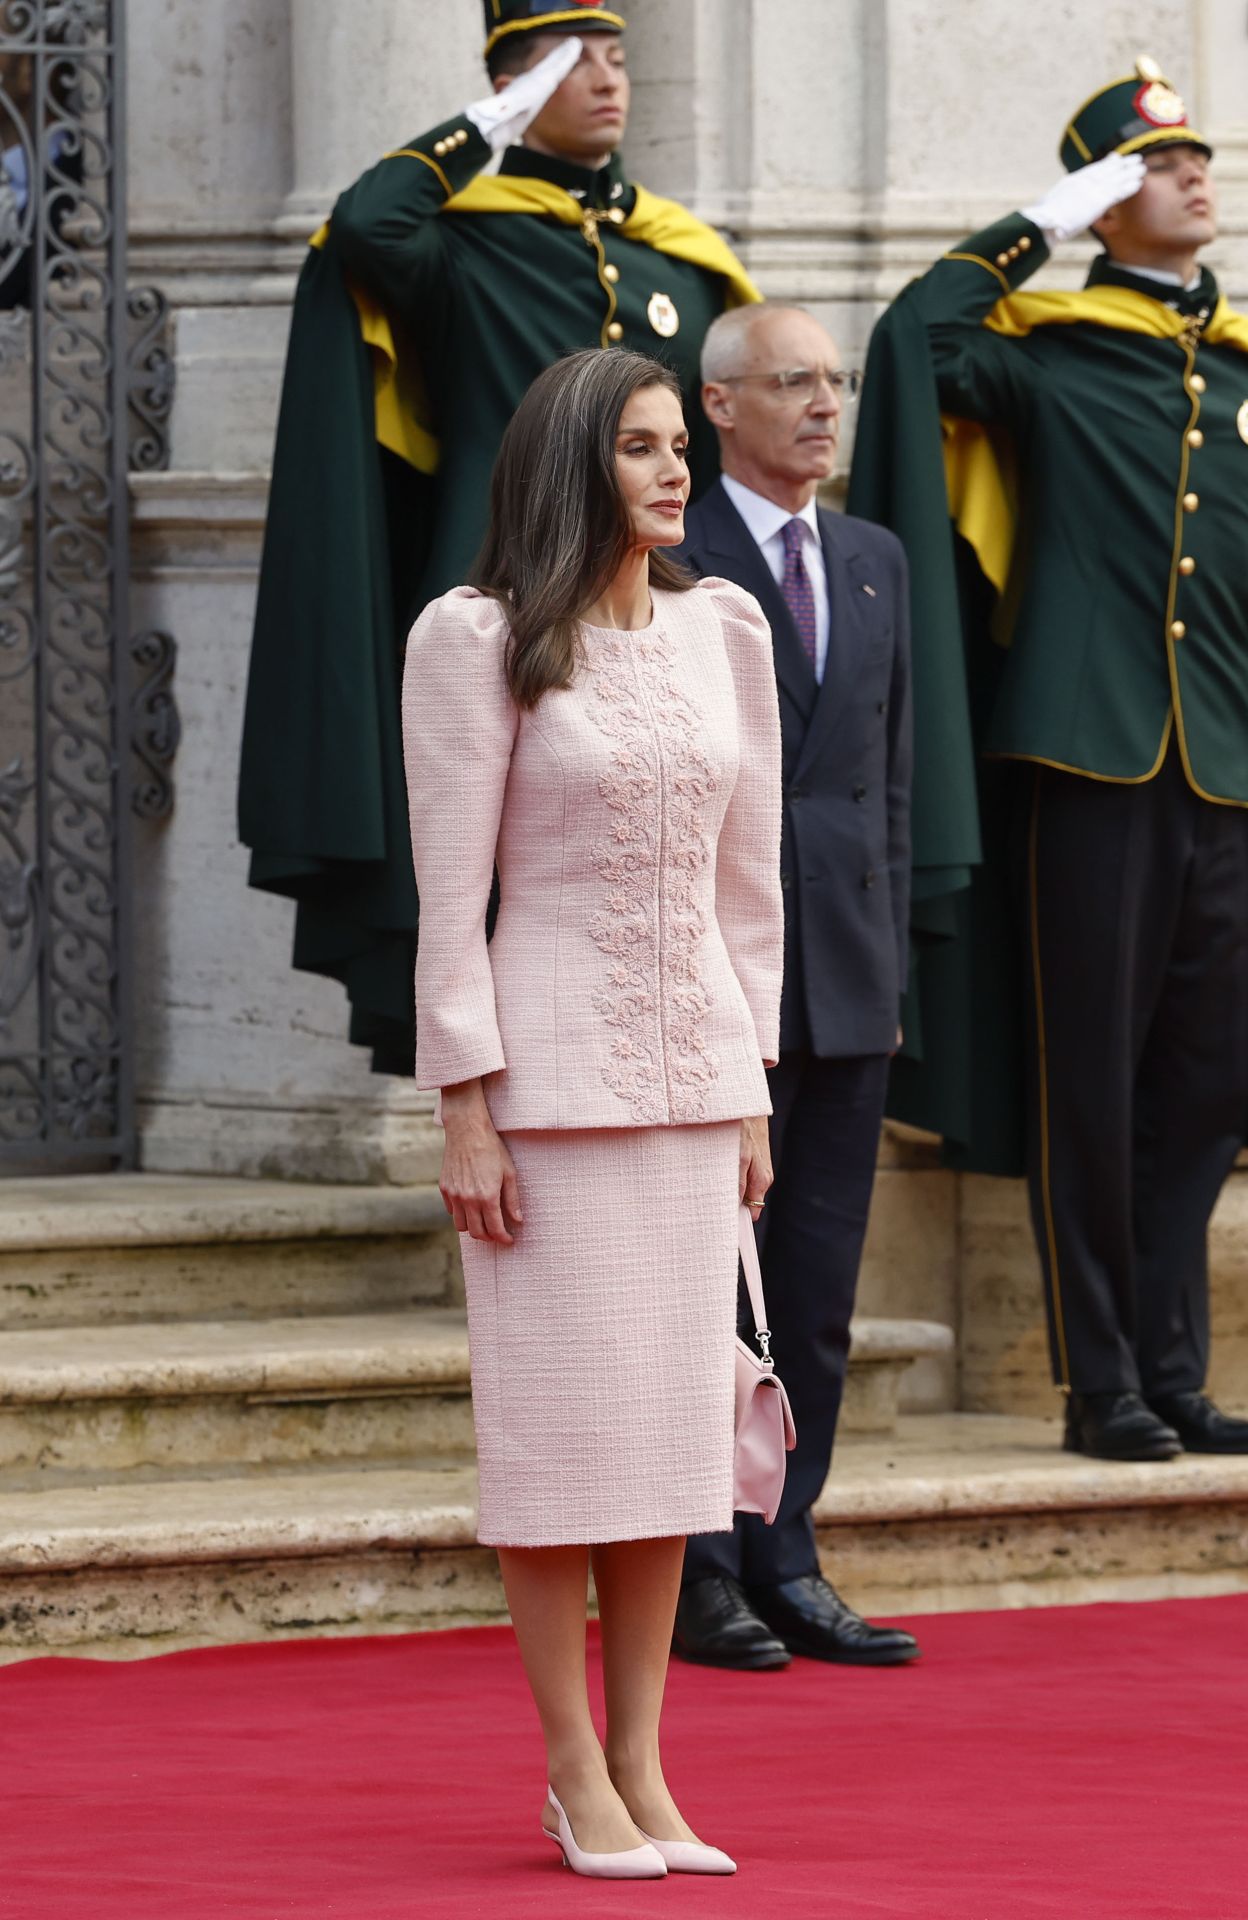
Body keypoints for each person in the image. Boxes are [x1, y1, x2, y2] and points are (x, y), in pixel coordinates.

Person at [849, 57, 1248, 1461]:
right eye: (1159, 167)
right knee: (1088, 1083)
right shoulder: (1046, 350)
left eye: (1197, 160)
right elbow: (913, 339)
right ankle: (1101, 1386)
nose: (1194, 177)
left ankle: (1176, 1367)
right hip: (1084, 761)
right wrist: (1039, 220)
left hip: (1222, 768)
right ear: (1108, 200)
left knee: (1205, 1092)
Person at [401, 346, 784, 1878]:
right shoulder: (476, 636)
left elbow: (747, 892)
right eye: (639, 448)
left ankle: (644, 1767)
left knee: (667, 1456)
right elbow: (450, 897)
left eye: (679, 443)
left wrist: (754, 1092)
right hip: (548, 1102)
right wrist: (464, 1109)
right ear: (575, 466)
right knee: (565, 1452)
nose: (674, 471)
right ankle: (571, 1770)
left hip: (698, 1093)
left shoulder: (724, 631)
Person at [238, 4, 760, 1079]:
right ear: (517, 84)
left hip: (649, 605)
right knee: (486, 885)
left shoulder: (674, 254)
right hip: (503, 589)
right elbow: (367, 223)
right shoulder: (463, 241)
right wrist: (482, 126)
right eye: (572, 64)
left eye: (618, 58)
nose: (609, 80)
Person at [669, 303, 919, 1671]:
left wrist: (884, 981)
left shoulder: (874, 558)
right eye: (791, 383)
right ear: (720, 407)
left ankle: (789, 1549)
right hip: (714, 974)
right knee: (712, 1282)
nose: (824, 405)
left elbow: (890, 787)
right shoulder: (671, 557)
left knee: (815, 1286)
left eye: (835, 382)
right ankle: (699, 1568)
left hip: (845, 983)